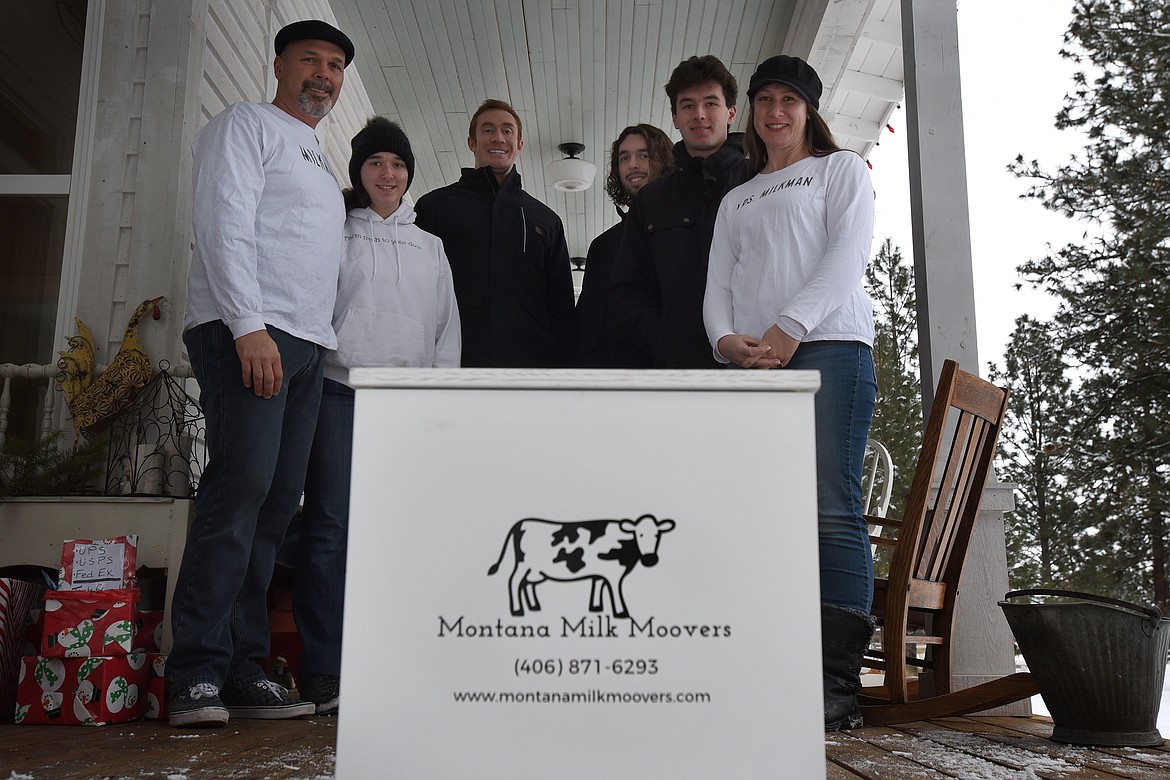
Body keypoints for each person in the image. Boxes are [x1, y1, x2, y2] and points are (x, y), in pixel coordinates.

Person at [168, 19, 355, 728]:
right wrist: (248, 325)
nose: (324, 74)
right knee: (240, 486)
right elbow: (222, 220)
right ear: (279, 64)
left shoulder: (314, 152)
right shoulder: (244, 124)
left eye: (335, 65)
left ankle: (244, 668)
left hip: (307, 343)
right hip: (248, 330)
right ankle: (195, 671)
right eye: (311, 59)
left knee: (275, 506)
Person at [702, 55, 878, 731]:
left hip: (828, 348)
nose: (776, 112)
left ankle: (835, 686)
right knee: (758, 515)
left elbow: (846, 258)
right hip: (751, 367)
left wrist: (786, 330)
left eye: (790, 101)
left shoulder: (841, 170)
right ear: (751, 110)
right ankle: (768, 664)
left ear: (810, 110)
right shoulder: (735, 196)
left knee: (831, 508)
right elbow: (718, 285)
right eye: (765, 100)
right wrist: (725, 342)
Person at [292, 117, 461, 715]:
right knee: (330, 531)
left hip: (406, 403)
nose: (387, 175)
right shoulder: (337, 233)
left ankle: (396, 659)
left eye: (396, 165)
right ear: (359, 173)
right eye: (375, 164)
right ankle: (325, 670)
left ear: (409, 173)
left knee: (400, 532)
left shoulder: (430, 245)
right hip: (340, 392)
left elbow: (446, 329)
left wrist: (435, 395)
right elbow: (314, 306)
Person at [609, 55, 750, 369]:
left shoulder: (761, 182)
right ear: (674, 116)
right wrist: (668, 342)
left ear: (731, 113)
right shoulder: (651, 200)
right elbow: (627, 291)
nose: (699, 115)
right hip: (677, 372)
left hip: (756, 366)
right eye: (688, 105)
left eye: (710, 103)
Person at [414, 99, 576, 367]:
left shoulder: (546, 221)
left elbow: (562, 310)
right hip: (454, 365)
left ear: (520, 145)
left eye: (507, 131)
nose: (498, 137)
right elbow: (416, 290)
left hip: (530, 374)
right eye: (487, 130)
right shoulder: (435, 207)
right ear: (472, 142)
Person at [575, 123, 674, 368]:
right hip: (605, 382)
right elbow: (586, 323)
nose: (632, 165)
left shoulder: (680, 234)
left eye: (644, 155)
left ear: (663, 160)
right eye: (624, 157)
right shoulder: (602, 246)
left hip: (664, 375)